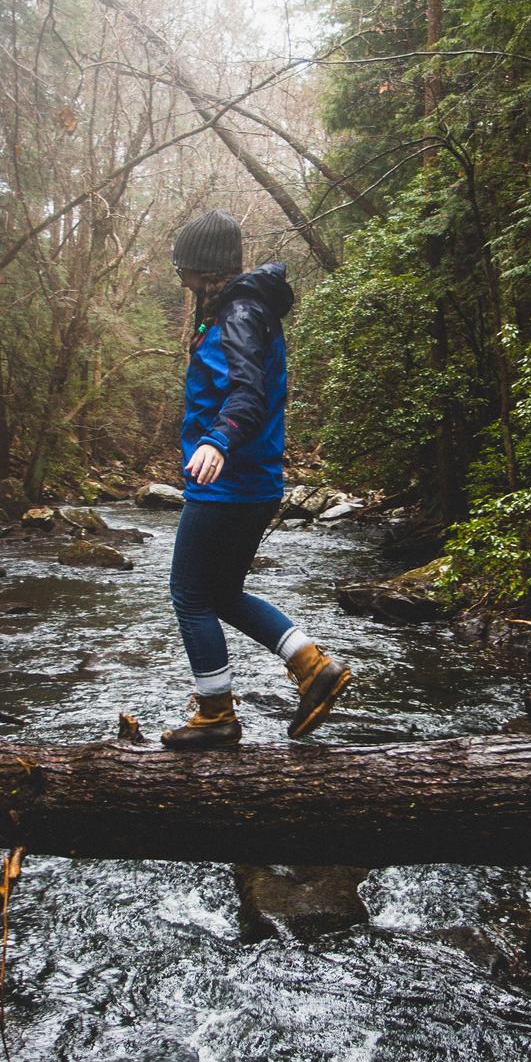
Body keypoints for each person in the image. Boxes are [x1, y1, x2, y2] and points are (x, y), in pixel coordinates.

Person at [162, 207, 352, 749]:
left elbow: (247, 393)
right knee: (222, 592)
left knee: (190, 594)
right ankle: (313, 667)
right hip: (256, 480)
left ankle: (216, 715)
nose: (181, 277)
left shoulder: (238, 315)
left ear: (203, 266)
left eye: (185, 268)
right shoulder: (243, 309)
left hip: (230, 482)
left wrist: (217, 442)